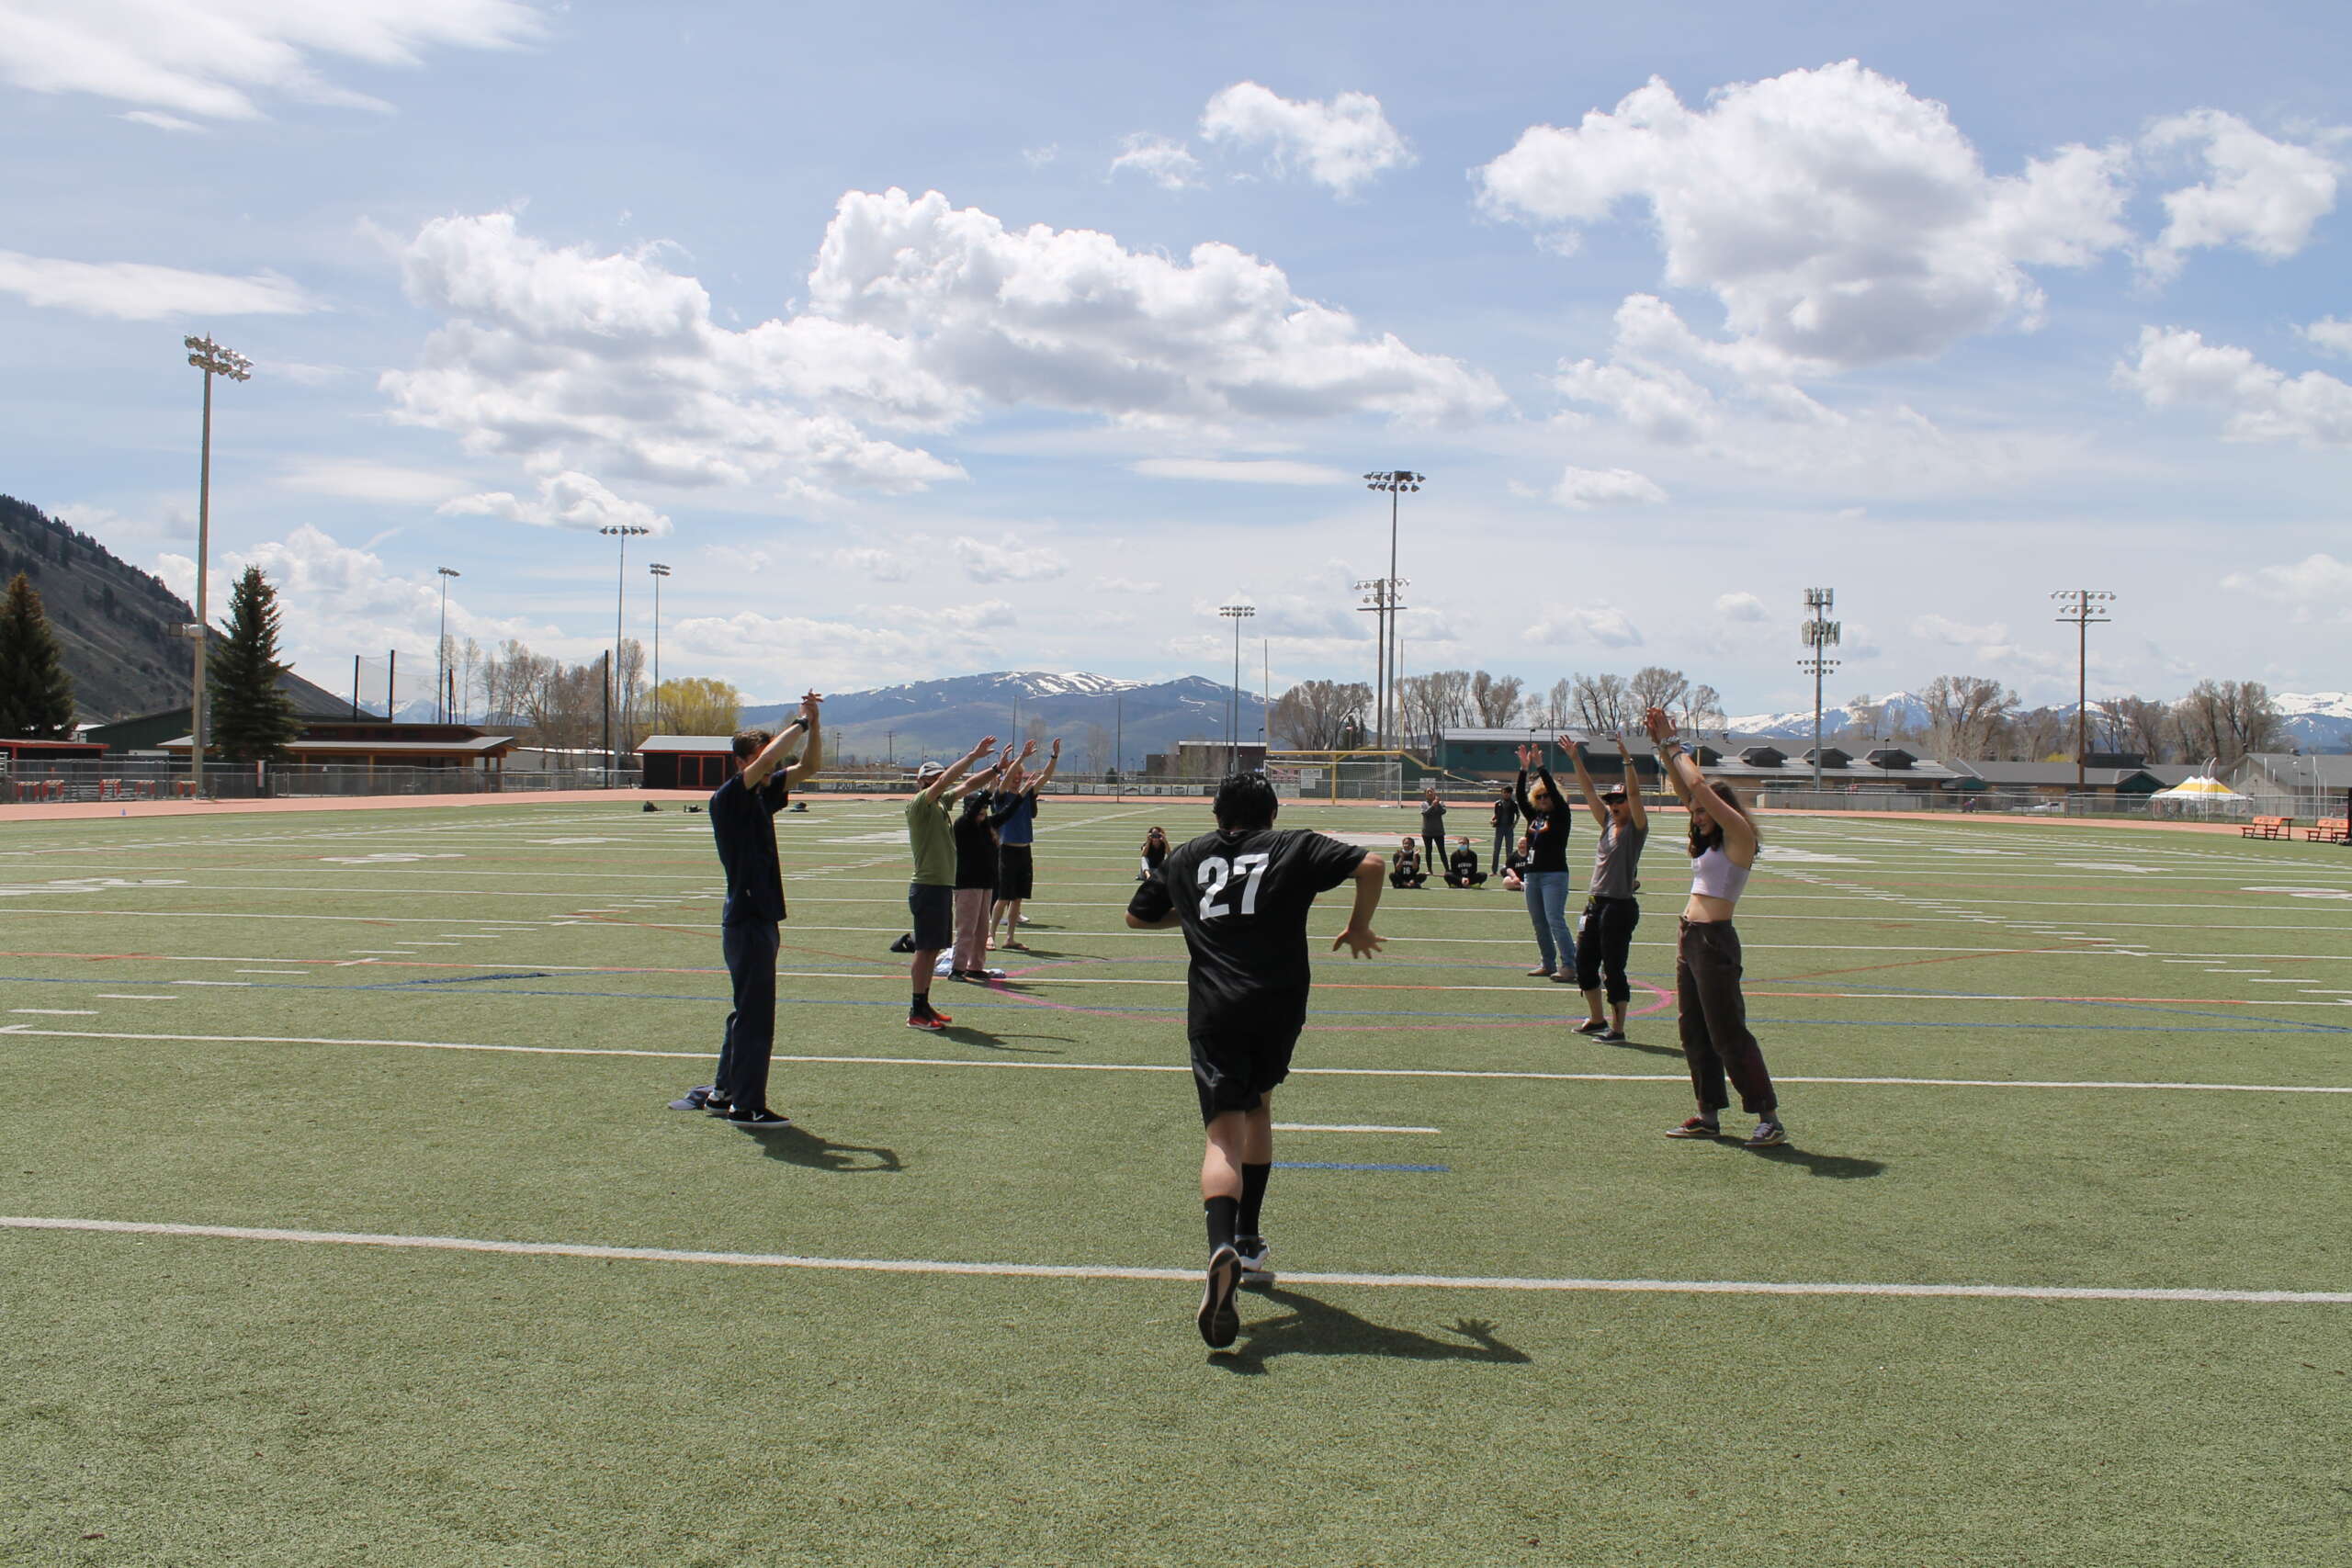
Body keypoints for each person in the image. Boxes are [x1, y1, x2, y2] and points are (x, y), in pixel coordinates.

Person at [1125, 773, 1385, 1350]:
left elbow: (1138, 917)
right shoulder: (1293, 843)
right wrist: (1360, 922)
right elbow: (1372, 863)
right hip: (1281, 999)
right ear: (1272, 810)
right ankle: (1248, 1241)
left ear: (1217, 812)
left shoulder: (1190, 855)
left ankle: (1221, 1243)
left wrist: (1197, 915)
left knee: (1222, 1136)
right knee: (1261, 1109)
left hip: (1216, 1004)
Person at [674, 693, 823, 1128]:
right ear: (741, 763)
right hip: (747, 918)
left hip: (761, 918)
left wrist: (814, 724)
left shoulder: (762, 795)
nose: (771, 765)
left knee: (746, 1010)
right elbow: (773, 757)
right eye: (760, 758)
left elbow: (809, 767)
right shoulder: (730, 798)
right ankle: (747, 1106)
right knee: (756, 1015)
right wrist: (799, 723)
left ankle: (724, 1094)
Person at [1644, 705, 1785, 1148]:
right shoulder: (1709, 838)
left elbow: (1699, 786)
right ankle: (1708, 1114)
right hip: (1690, 937)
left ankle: (1768, 1118)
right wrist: (1662, 753)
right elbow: (1687, 789)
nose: (1697, 815)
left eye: (1704, 811)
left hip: (1715, 941)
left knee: (1728, 1032)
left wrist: (1673, 744)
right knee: (1694, 1030)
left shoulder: (1740, 837)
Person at [905, 735, 1003, 1032]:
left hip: (940, 886)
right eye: (933, 779)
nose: (938, 782)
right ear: (922, 782)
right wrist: (973, 756)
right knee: (925, 950)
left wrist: (997, 769)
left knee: (933, 949)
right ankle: (916, 1009)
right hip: (928, 886)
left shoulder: (940, 805)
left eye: (938, 777)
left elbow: (967, 787)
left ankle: (923, 1003)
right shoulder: (921, 804)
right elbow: (951, 779)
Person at [1567, 733, 1648, 1043]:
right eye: (1612, 800)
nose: (1614, 804)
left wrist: (1628, 761)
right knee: (1584, 963)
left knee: (1613, 967)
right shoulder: (1607, 824)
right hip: (1595, 903)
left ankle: (1618, 1028)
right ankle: (1597, 1018)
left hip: (1619, 906)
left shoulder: (1636, 829)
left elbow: (1638, 798)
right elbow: (1588, 791)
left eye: (1619, 800)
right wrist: (1576, 759)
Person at [951, 741, 1036, 980]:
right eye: (979, 809)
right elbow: (976, 807)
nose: (983, 812)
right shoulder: (963, 825)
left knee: (980, 931)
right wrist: (993, 781)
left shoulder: (987, 824)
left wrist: (1021, 794)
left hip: (986, 884)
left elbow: (1006, 813)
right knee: (966, 930)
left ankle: (975, 967)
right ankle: (957, 969)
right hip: (967, 884)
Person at [1512, 743, 1575, 981]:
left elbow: (1554, 794)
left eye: (1547, 795)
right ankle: (1547, 963)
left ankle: (1569, 964)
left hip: (1554, 875)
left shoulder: (1562, 814)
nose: (1544, 798)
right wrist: (1523, 769)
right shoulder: (1535, 816)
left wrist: (1540, 766)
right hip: (1532, 874)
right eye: (1539, 796)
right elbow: (1519, 797)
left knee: (1555, 920)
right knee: (1539, 922)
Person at [989, 737, 1059, 950]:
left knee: (1017, 899)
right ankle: (990, 935)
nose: (1017, 777)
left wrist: (1054, 755)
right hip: (1007, 851)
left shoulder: (1028, 793)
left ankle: (1009, 938)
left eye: (1021, 773)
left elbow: (1046, 776)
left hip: (1024, 851)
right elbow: (1004, 780)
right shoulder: (1000, 797)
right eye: (1014, 774)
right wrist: (1020, 757)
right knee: (1003, 897)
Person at [1488, 783, 1519, 882]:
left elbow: (1518, 815)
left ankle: (1508, 870)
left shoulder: (1514, 804)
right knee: (1496, 850)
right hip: (1499, 828)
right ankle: (1494, 870)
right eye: (1504, 792)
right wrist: (1493, 820)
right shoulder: (1498, 803)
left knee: (1509, 851)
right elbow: (1496, 815)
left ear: (1511, 794)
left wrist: (1514, 824)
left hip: (1509, 829)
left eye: (1508, 793)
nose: (1506, 794)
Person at [1418, 784, 1448, 868]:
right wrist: (1432, 806)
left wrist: (1437, 804)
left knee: (1442, 851)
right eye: (1428, 792)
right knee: (1428, 851)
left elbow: (1443, 812)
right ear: (1426, 794)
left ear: (1434, 793)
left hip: (1439, 832)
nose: (1430, 793)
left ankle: (1447, 869)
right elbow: (1426, 814)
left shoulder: (1440, 803)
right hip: (1427, 832)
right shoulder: (1423, 804)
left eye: (1431, 791)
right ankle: (1429, 869)